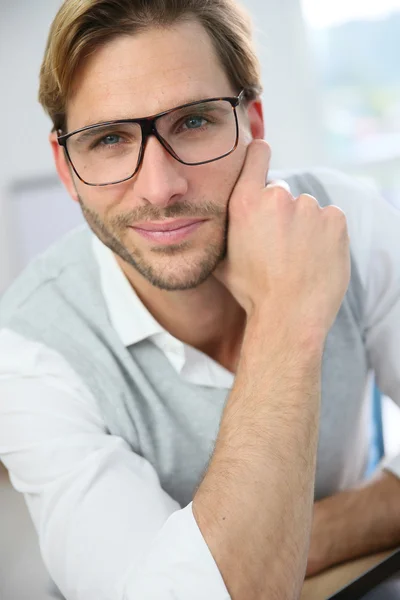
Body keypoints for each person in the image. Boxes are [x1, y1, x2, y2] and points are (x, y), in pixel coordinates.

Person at [0, 0, 399, 598]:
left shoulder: (344, 222)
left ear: (253, 125)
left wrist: (299, 539)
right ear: (66, 167)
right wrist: (287, 317)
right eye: (108, 139)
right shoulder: (30, 352)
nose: (161, 189)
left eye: (193, 122)